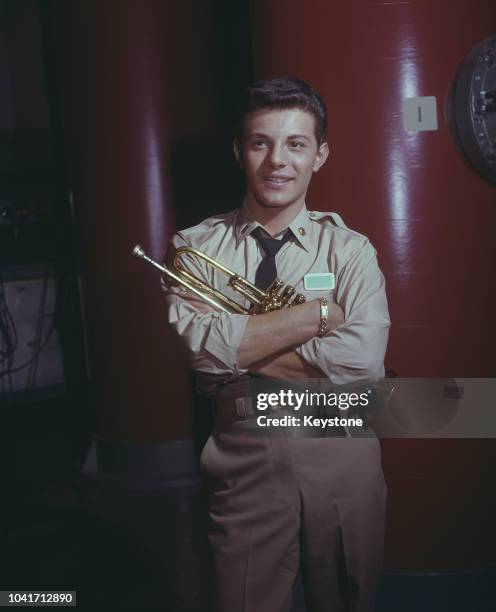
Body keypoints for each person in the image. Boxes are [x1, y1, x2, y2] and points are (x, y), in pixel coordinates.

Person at [162, 77, 390, 612]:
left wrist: (241, 347)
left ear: (321, 155)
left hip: (342, 460)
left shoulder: (351, 252)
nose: (277, 162)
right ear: (239, 151)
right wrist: (317, 316)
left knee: (347, 599)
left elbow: (360, 368)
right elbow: (200, 353)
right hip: (243, 463)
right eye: (261, 142)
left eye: (296, 144)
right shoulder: (195, 251)